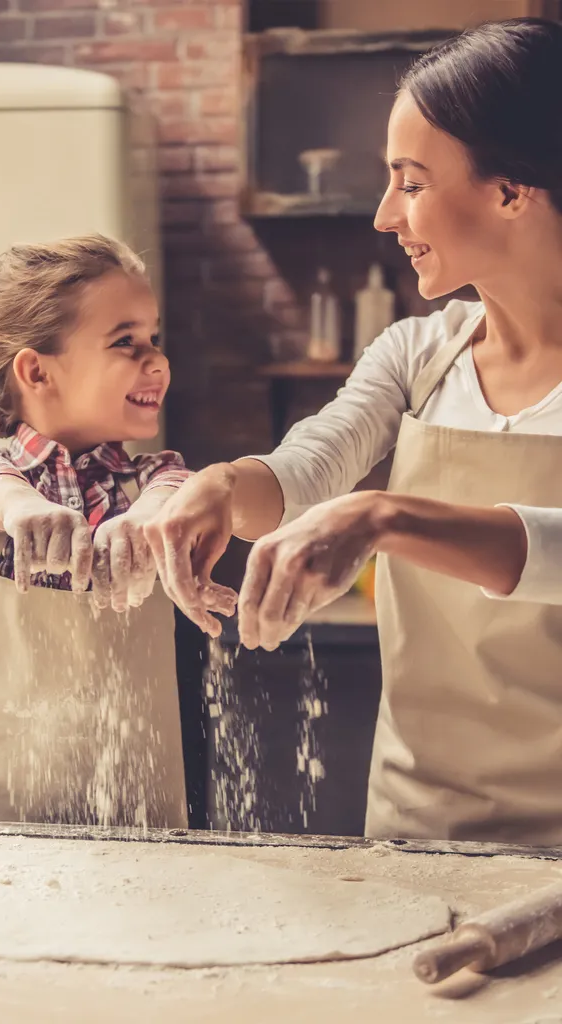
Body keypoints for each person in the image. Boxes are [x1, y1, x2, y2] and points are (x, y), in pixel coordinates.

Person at [145, 18, 562, 846]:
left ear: (512, 190)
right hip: (420, 813)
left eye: (411, 183)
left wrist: (384, 518)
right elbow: (311, 463)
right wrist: (221, 489)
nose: (383, 215)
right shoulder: (419, 354)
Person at [0, 234, 235, 828]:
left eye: (155, 339)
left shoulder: (156, 479)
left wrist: (148, 521)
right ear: (36, 370)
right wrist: (21, 507)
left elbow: (177, 494)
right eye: (126, 343)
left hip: (132, 809)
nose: (157, 362)